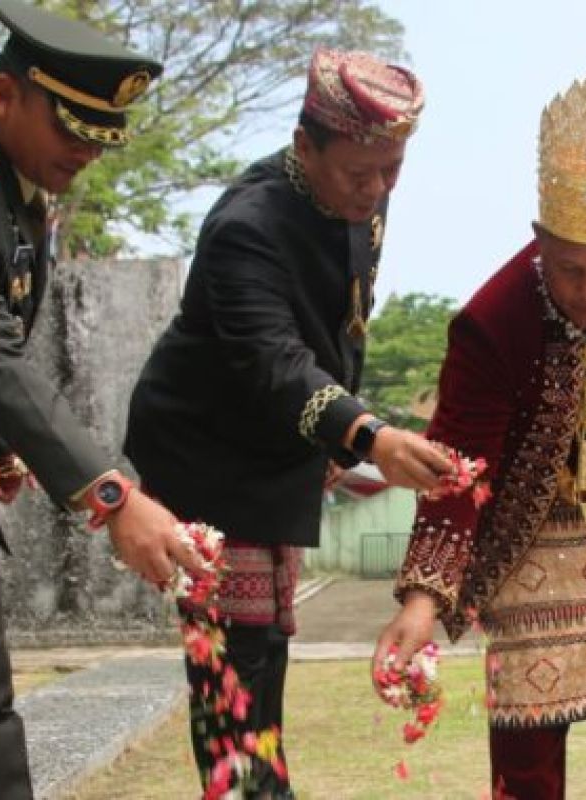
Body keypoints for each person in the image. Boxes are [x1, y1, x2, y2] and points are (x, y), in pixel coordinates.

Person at [0, 1, 206, 797]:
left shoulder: (14, 192)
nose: (87, 152)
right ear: (4, 97)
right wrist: (115, 496)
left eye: (100, 136)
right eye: (73, 131)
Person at [375, 63, 586, 800]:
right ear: (538, 241)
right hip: (532, 546)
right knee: (527, 770)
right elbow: (456, 466)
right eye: (569, 270)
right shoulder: (493, 322)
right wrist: (423, 601)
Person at [124, 48, 446, 799]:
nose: (375, 191)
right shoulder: (246, 226)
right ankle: (243, 789)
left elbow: (344, 324)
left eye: (391, 171)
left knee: (268, 637)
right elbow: (275, 361)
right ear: (305, 146)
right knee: (230, 659)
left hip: (278, 445)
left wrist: (337, 434)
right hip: (204, 451)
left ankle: (266, 788)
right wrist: (368, 435)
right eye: (359, 173)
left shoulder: (360, 190)